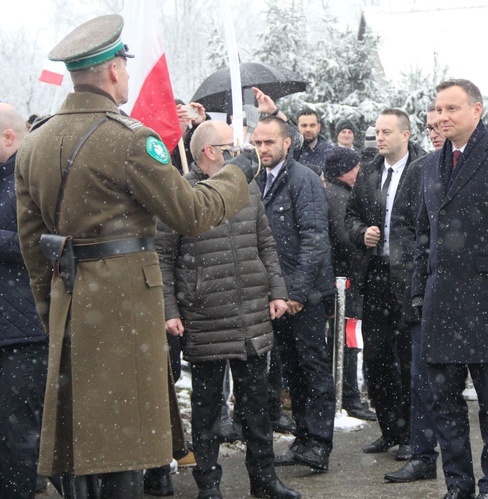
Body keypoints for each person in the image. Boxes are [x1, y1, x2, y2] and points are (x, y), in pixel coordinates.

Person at [14, 15, 255, 498]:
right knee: (124, 441)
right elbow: (190, 212)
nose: (126, 73)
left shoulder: (33, 144)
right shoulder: (128, 139)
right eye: (123, 64)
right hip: (124, 304)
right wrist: (237, 173)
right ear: (110, 72)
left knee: (83, 441)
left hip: (70, 298)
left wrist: (53, 308)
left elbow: (33, 244)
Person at [156, 120, 300, 499]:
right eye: (230, 146)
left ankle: (264, 482)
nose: (241, 153)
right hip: (204, 319)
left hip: (252, 316)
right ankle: (209, 485)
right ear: (210, 152)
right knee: (206, 412)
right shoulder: (181, 194)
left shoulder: (247, 188)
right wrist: (169, 310)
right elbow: (163, 258)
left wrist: (277, 292)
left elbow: (265, 243)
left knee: (257, 409)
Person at [412, 79, 488, 499]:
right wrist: (418, 292)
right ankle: (459, 486)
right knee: (444, 403)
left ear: (477, 110)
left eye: (452, 108)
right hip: (440, 301)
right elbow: (421, 235)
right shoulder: (428, 166)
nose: (443, 117)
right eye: (438, 109)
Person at [253, 116, 337, 473]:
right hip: (276, 297)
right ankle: (303, 438)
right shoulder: (257, 181)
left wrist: (298, 293)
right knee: (292, 371)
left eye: (269, 142)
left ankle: (319, 443)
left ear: (287, 143)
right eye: (257, 143)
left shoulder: (303, 180)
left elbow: (315, 238)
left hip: (306, 296)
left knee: (313, 368)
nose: (262, 149)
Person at [345, 108, 424, 461]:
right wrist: (363, 233)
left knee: (408, 359)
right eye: (377, 131)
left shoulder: (423, 170)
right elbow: (351, 216)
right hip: (375, 276)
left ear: (405, 134)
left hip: (410, 278)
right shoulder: (369, 172)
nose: (379, 138)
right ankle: (389, 428)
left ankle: (412, 433)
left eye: (387, 132)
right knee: (376, 358)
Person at [384, 105, 443, 485]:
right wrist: (413, 274)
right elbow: (405, 225)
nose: (437, 130)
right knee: (423, 379)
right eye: (431, 126)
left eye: (443, 123)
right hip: (424, 290)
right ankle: (423, 455)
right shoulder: (423, 170)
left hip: (472, 294)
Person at [0, 103, 48, 499]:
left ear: (8, 137)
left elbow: (42, 246)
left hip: (24, 332)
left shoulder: (31, 179)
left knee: (18, 432)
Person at [321, 147, 377, 422]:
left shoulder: (335, 193)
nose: (360, 172)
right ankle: (350, 396)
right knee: (347, 338)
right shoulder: (340, 198)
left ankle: (346, 392)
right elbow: (347, 241)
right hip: (346, 281)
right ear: (343, 172)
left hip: (341, 278)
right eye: (355, 167)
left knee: (342, 337)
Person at [294, 109, 333, 174]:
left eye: (312, 125)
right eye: (304, 125)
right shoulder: (289, 152)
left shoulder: (330, 153)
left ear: (318, 127)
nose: (308, 129)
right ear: (297, 127)